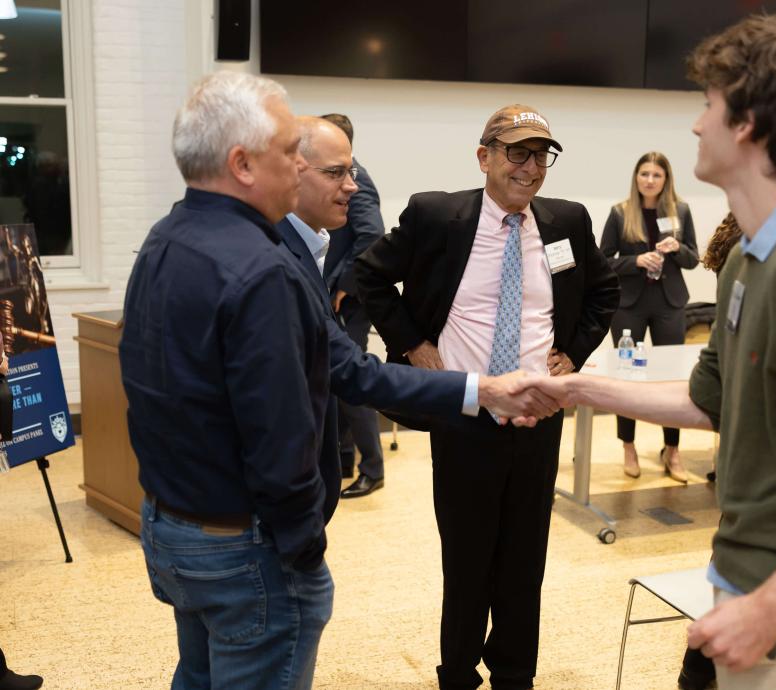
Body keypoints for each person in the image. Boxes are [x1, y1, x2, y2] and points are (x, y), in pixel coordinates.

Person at [530, 14, 776, 690]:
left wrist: (773, 606)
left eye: (709, 105)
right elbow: (706, 398)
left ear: (747, 124)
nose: (696, 125)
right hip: (755, 590)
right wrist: (575, 389)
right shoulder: (753, 255)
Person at [120, 73, 553, 690]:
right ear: (243, 164)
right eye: (288, 154)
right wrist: (302, 548)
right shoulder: (261, 269)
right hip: (246, 548)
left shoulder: (168, 236)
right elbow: (282, 431)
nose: (300, 168)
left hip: (174, 527)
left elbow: (337, 370)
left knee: (198, 675)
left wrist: (477, 390)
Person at [356, 104, 619, 690]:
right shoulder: (436, 217)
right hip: (465, 413)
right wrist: (414, 345)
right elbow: (369, 275)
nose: (530, 168)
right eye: (516, 153)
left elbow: (604, 291)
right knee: (468, 557)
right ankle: (457, 674)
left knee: (525, 561)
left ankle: (514, 676)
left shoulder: (567, 221)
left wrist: (572, 353)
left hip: (536, 418)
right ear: (485, 157)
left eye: (541, 155)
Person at [599, 151, 698, 482]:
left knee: (673, 380)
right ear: (636, 177)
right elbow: (603, 261)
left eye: (657, 175)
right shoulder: (620, 212)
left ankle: (672, 449)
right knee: (628, 377)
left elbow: (693, 259)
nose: (650, 180)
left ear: (666, 179)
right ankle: (628, 445)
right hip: (629, 304)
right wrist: (636, 261)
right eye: (644, 174)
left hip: (669, 302)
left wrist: (677, 249)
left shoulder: (680, 210)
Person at [318, 113, 388, 499]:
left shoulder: (357, 180)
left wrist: (344, 286)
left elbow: (372, 237)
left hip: (349, 297)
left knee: (352, 380)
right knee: (334, 382)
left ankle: (372, 469)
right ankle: (344, 457)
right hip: (333, 291)